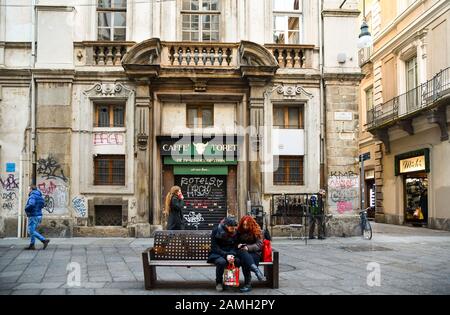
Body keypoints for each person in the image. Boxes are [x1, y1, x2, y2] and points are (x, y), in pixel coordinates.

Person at [207, 217, 240, 292]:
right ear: (226, 226)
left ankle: (229, 281)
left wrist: (231, 255)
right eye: (232, 228)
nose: (234, 230)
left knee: (237, 260)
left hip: (230, 252)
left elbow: (235, 246)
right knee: (221, 262)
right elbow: (214, 247)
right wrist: (226, 255)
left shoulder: (235, 232)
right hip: (217, 253)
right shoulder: (216, 230)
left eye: (235, 228)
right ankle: (219, 282)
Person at [236, 215, 266, 293]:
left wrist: (248, 247)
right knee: (243, 253)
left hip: (254, 254)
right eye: (244, 224)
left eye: (247, 225)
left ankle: (247, 285)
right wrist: (238, 245)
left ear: (251, 224)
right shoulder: (239, 231)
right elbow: (235, 242)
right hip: (242, 252)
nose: (245, 226)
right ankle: (256, 271)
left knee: (244, 260)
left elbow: (259, 245)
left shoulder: (257, 231)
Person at [24, 185, 50, 250]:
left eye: (29, 189)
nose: (28, 190)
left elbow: (31, 204)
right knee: (33, 230)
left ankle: (44, 240)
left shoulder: (32, 196)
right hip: (39, 215)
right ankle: (32, 245)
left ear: (31, 189)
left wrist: (26, 209)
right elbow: (43, 205)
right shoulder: (40, 196)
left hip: (33, 215)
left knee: (30, 231)